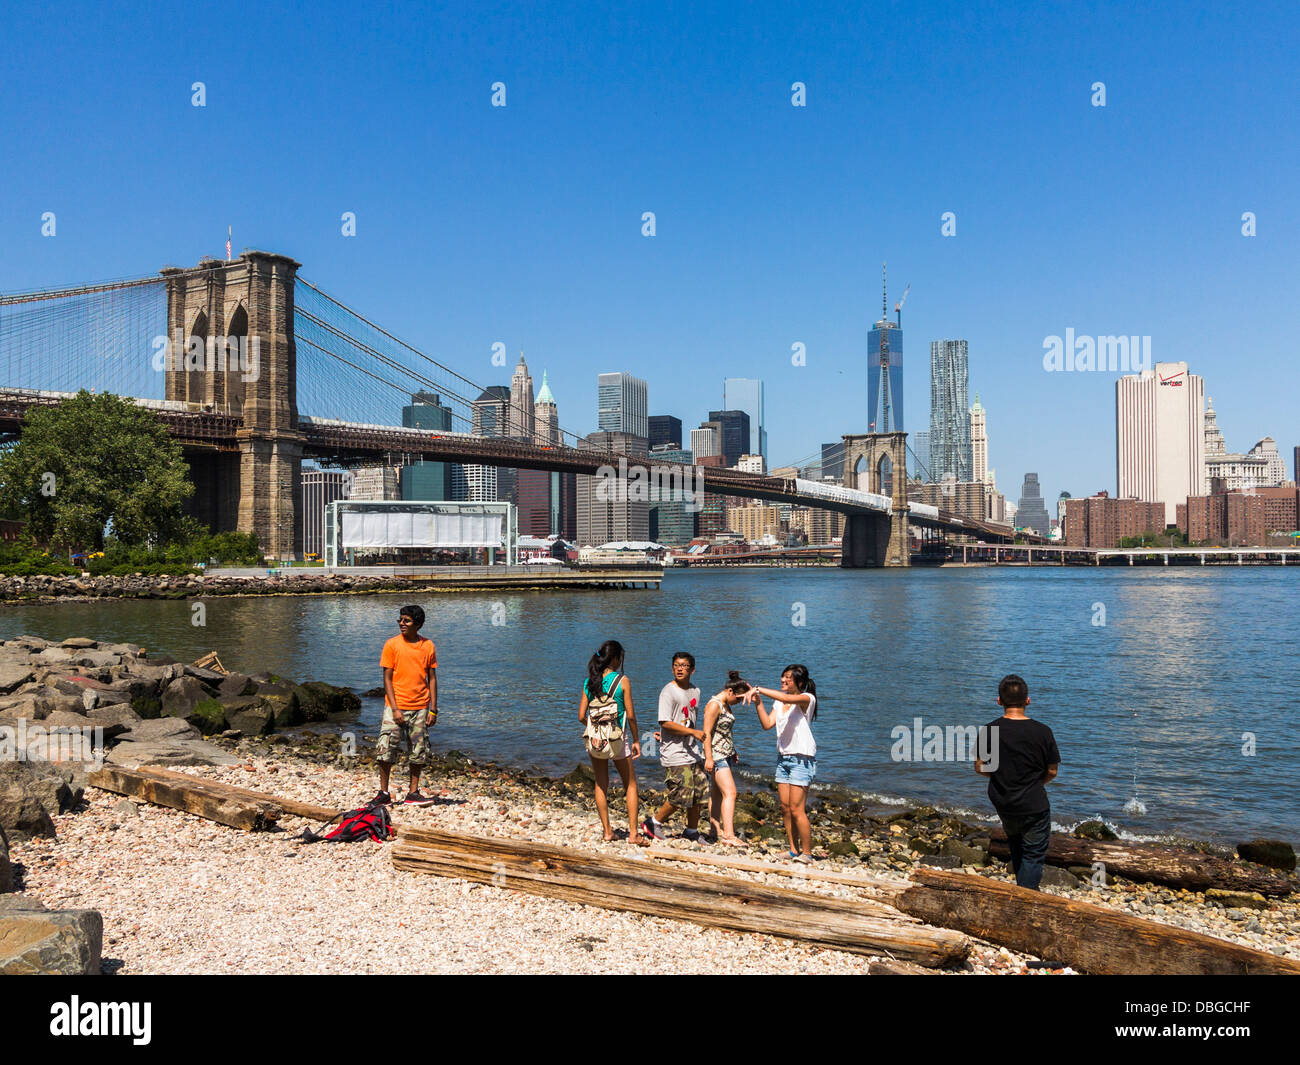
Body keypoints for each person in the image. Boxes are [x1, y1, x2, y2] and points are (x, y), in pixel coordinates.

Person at [975, 674, 1060, 891]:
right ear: (1028, 701)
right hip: (1033, 802)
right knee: (1033, 854)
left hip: (1004, 802)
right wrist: (1036, 783)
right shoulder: (1043, 731)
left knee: (1016, 846)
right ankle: (1026, 897)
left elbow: (980, 766)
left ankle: (1023, 890)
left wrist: (999, 776)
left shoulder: (990, 730)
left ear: (999, 701)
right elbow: (1052, 771)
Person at [746, 664, 818, 863]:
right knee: (785, 808)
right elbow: (767, 724)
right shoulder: (778, 704)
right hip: (783, 759)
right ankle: (793, 850)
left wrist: (758, 688)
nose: (783, 680)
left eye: (788, 678)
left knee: (797, 809)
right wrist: (758, 701)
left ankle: (807, 853)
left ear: (800, 683)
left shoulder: (807, 699)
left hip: (801, 759)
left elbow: (786, 697)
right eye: (782, 677)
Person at [578, 639, 648, 845]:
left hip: (596, 738)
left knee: (601, 783)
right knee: (630, 783)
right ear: (616, 658)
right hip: (617, 738)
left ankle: (607, 831)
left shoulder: (589, 681)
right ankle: (634, 834)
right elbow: (632, 716)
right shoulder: (622, 681)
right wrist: (636, 740)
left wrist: (594, 727)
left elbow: (581, 715)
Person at [371, 604, 438, 806]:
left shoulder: (428, 646)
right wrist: (395, 708)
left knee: (418, 751)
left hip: (420, 707)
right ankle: (383, 793)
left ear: (417, 624)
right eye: (400, 619)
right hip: (395, 707)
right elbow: (387, 679)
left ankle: (413, 793)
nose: (401, 623)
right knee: (385, 750)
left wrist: (433, 709)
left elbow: (432, 679)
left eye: (406, 620)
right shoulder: (391, 645)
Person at [641, 652, 706, 841]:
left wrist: (689, 733)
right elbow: (665, 722)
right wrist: (693, 733)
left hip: (693, 751)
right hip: (675, 753)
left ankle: (692, 832)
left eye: (684, 666)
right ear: (672, 668)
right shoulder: (668, 692)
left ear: (692, 670)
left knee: (699, 794)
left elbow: (686, 719)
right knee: (682, 793)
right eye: (676, 665)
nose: (680, 669)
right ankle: (653, 822)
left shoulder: (696, 691)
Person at [702, 671, 750, 847]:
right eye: (738, 699)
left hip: (726, 754)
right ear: (730, 692)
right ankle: (729, 835)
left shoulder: (725, 704)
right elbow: (706, 733)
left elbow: (724, 732)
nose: (738, 702)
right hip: (716, 756)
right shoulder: (714, 705)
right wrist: (708, 758)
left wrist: (733, 750)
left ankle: (715, 830)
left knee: (716, 794)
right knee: (731, 792)